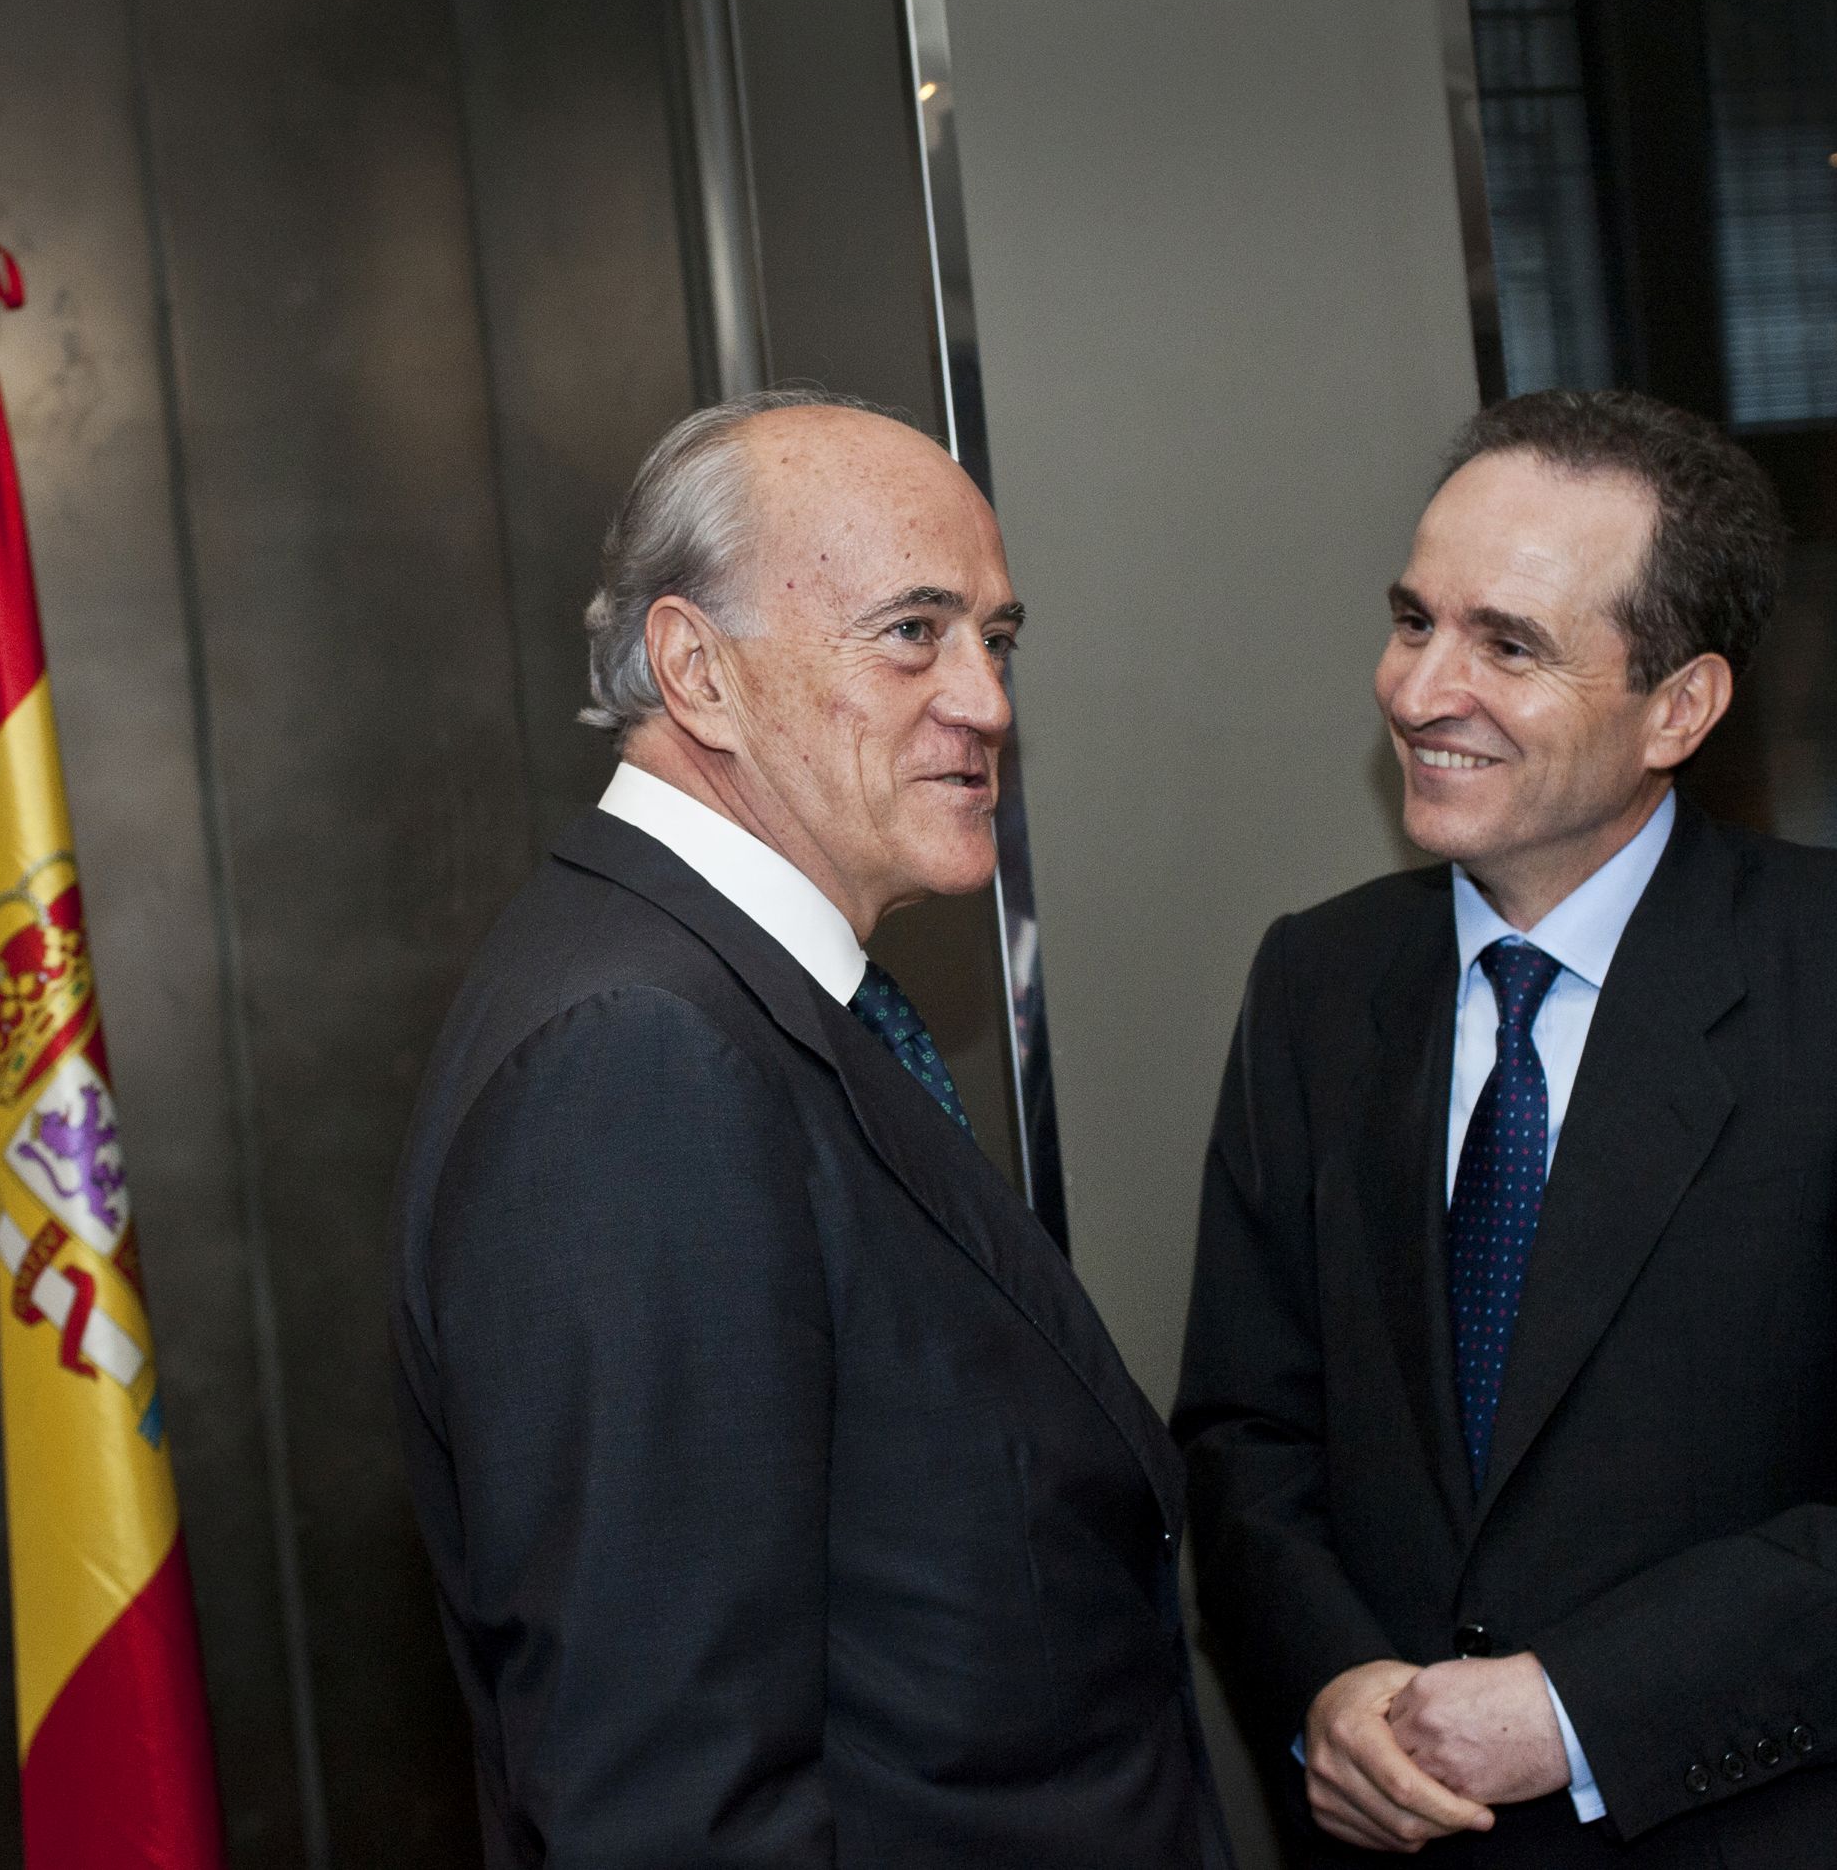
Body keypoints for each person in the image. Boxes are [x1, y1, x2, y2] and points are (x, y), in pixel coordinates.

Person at [1173, 389, 1837, 1865]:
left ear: (1679, 706)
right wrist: (1331, 1685)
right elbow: (1248, 1431)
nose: (1420, 690)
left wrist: (1579, 1710)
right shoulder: (1317, 981)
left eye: (1509, 645)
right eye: (1415, 621)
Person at [393, 391, 1228, 1868]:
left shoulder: (739, 997)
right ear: (696, 672)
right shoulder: (639, 1060)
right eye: (912, 633)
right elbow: (670, 1802)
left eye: (995, 639)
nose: (986, 702)